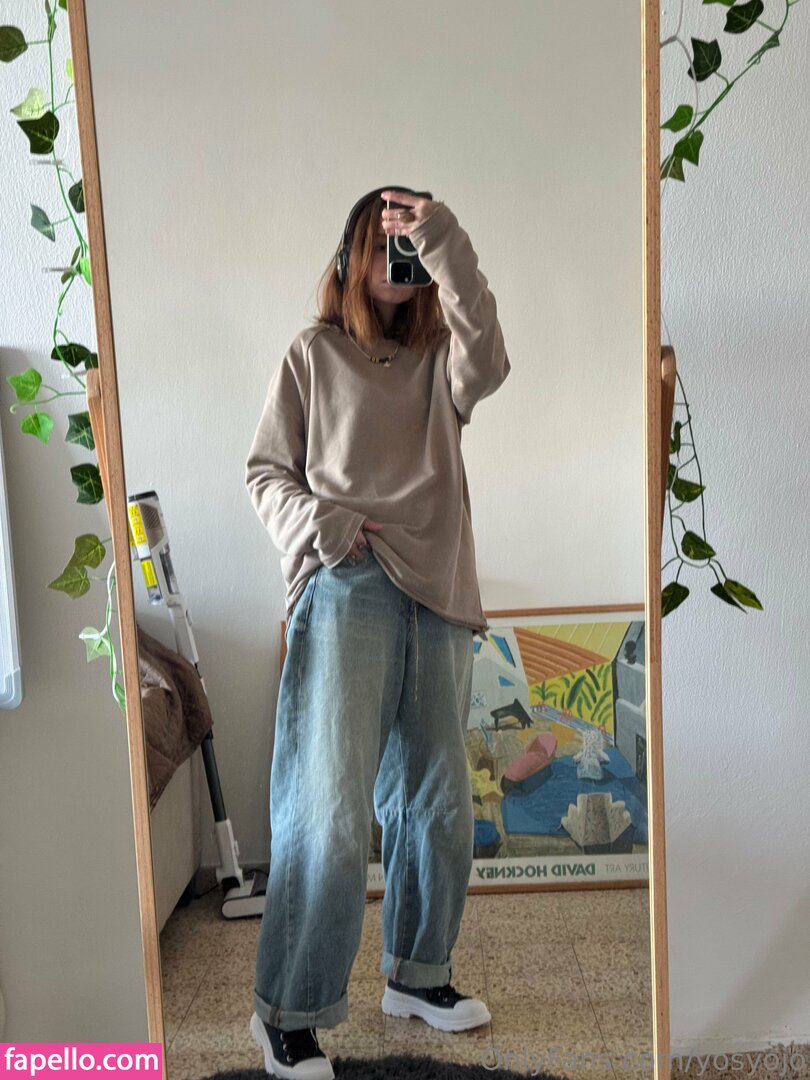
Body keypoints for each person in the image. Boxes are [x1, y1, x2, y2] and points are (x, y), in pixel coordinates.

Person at [244, 185, 510, 1079]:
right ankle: (289, 1010)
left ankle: (419, 975)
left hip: (437, 590)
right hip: (347, 583)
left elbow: (491, 357)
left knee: (439, 803)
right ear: (352, 254)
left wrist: (444, 237)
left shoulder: (443, 360)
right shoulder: (312, 354)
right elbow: (265, 474)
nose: (399, 261)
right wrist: (330, 529)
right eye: (386, 242)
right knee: (328, 808)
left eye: (410, 246)